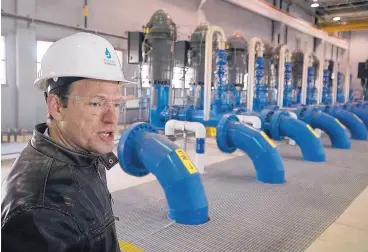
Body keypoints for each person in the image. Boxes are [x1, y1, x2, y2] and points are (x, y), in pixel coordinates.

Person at [1, 32, 135, 252]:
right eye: (96, 103)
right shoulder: (40, 212)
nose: (112, 118)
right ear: (56, 106)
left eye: (115, 104)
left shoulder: (84, 154)